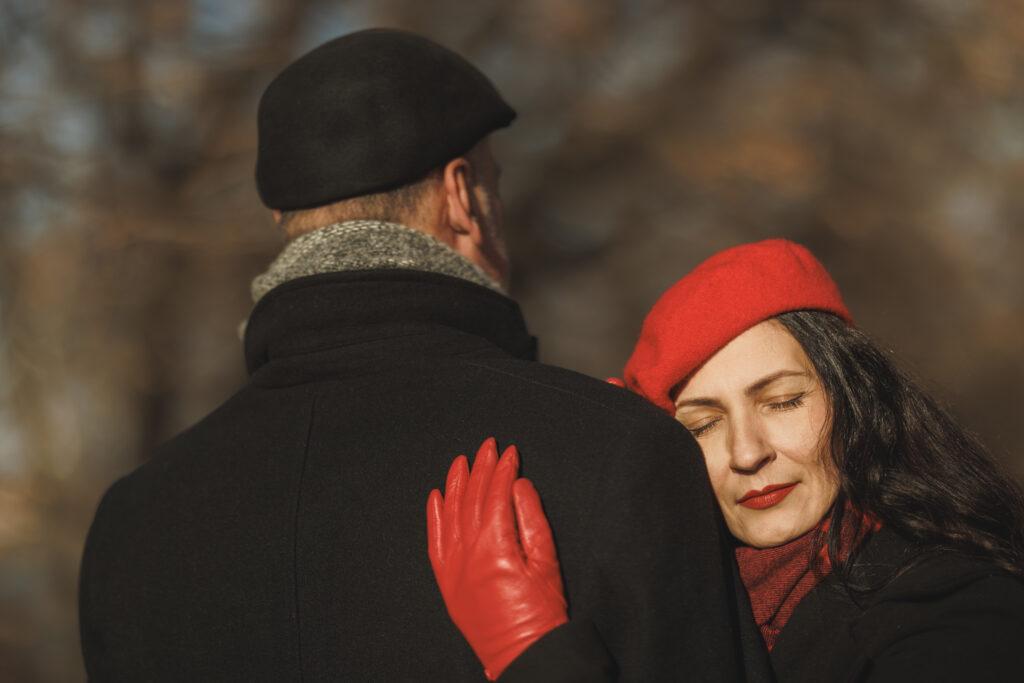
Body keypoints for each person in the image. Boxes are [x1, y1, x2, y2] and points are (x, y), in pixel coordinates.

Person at [78, 29, 772, 682]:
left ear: (286, 227)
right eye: (493, 184)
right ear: (463, 196)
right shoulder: (622, 453)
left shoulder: (128, 528)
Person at [428, 239, 1024, 682]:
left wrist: (535, 656)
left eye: (784, 400)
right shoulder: (667, 607)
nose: (747, 452)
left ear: (855, 402)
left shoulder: (960, 611)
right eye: (703, 425)